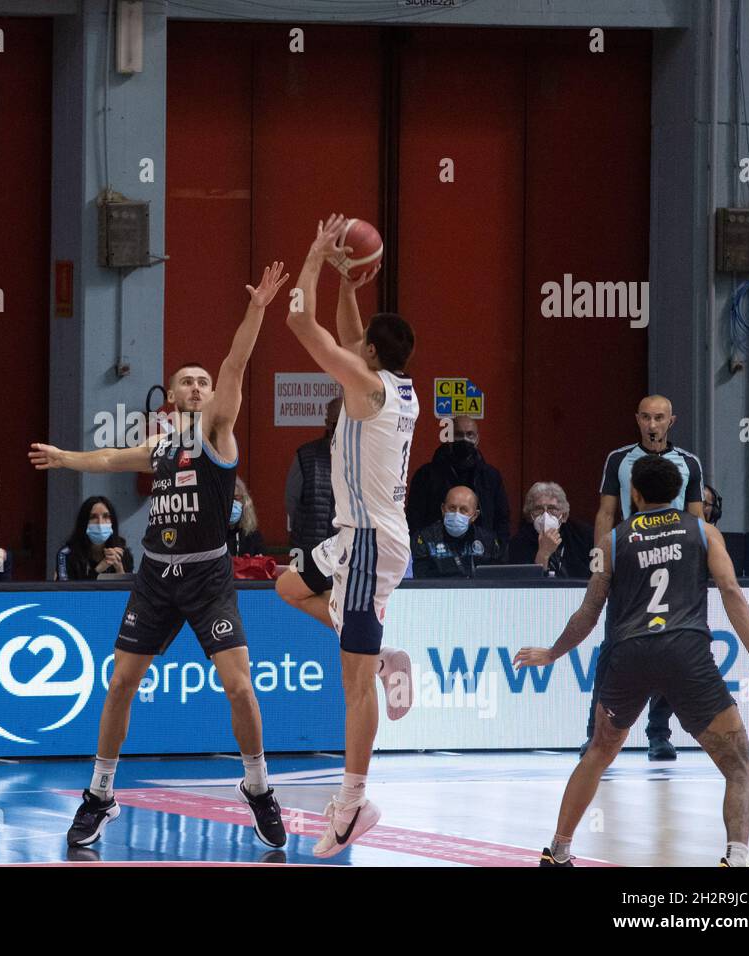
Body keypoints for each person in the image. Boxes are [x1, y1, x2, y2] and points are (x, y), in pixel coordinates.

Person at [31, 261, 292, 850]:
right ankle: (100, 793)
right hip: (154, 576)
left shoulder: (218, 432)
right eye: (187, 382)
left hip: (206, 577)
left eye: (203, 381)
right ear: (171, 394)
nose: (198, 387)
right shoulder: (161, 444)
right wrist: (67, 458)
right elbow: (112, 459)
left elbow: (235, 363)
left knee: (240, 686)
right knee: (121, 682)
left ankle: (256, 785)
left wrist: (255, 310)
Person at [515, 455, 749, 867]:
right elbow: (730, 591)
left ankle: (559, 849)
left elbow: (588, 612)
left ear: (634, 493)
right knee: (739, 764)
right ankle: (737, 859)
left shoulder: (612, 541)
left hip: (629, 653)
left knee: (599, 751)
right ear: (676, 494)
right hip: (685, 652)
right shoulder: (704, 533)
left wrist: (552, 653)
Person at [286, 216, 419, 858]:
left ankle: (353, 801)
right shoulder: (388, 384)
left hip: (370, 542)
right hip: (352, 535)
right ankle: (375, 648)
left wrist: (313, 259)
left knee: (353, 683)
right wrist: (347, 279)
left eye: (362, 342)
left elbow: (301, 327)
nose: (356, 342)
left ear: (370, 355)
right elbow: (344, 332)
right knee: (288, 585)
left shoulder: (367, 390)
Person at [590, 394, 705, 761]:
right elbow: (606, 513)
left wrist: (698, 564)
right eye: (645, 417)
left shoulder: (688, 463)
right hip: (630, 564)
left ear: (671, 421)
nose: (652, 424)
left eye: (659, 418)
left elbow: (697, 518)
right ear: (637, 419)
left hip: (674, 566)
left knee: (670, 651)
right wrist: (599, 564)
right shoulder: (619, 459)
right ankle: (596, 733)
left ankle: (659, 733)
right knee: (613, 648)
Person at [405, 415, 509, 546]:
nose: (464, 439)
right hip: (434, 553)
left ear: (477, 439)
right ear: (448, 437)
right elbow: (414, 519)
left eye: (470, 434)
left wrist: (499, 550)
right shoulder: (426, 475)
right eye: (459, 434)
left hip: (480, 553)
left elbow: (502, 519)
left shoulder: (490, 476)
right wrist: (418, 548)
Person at [285, 397, 341, 556]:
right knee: (296, 579)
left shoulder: (362, 457)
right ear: (327, 422)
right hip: (304, 547)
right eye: (336, 421)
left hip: (343, 551)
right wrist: (306, 526)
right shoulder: (305, 455)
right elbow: (292, 501)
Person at [504, 482, 594, 577]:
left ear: (564, 516)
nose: (545, 515)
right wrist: (544, 554)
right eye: (538, 509)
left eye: (552, 508)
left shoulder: (583, 536)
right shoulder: (519, 543)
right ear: (530, 516)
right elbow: (527, 584)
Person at [411, 486, 502, 578]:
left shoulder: (488, 541)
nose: (456, 514)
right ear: (443, 509)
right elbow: (420, 579)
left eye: (463, 510)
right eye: (452, 508)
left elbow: (497, 578)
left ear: (475, 515)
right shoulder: (425, 538)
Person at [55, 496, 134, 580]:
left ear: (112, 522)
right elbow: (66, 591)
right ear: (83, 522)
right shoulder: (66, 555)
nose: (100, 523)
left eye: (106, 516)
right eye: (93, 517)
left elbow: (129, 591)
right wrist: (97, 570)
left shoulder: (123, 554)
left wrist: (119, 569)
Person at [227, 477, 265, 557]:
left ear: (244, 502)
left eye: (236, 499)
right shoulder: (213, 537)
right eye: (228, 499)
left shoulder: (252, 536)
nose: (232, 503)